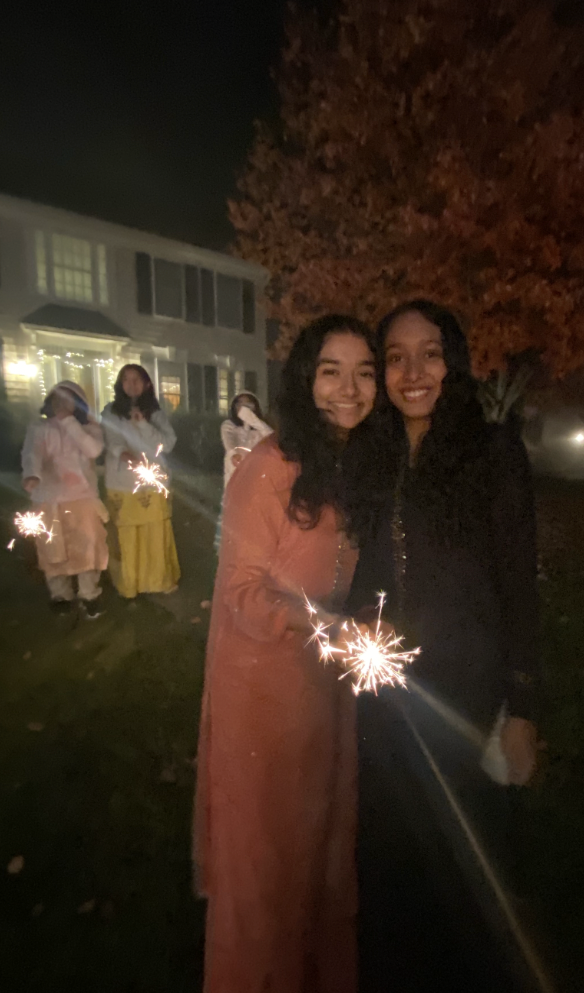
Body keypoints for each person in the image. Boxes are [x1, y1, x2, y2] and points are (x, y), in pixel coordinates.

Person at [193, 315, 378, 993]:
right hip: (263, 695)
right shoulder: (268, 467)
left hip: (325, 689)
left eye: (364, 372)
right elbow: (240, 592)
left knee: (320, 850)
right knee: (267, 862)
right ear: (306, 378)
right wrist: (324, 626)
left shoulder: (352, 464)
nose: (350, 389)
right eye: (332, 371)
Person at [347, 300, 540, 804]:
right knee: (384, 824)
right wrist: (365, 616)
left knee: (454, 837)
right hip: (382, 681)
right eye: (395, 357)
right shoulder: (373, 454)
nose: (413, 373)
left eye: (429, 354)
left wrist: (523, 706)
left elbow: (519, 580)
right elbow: (368, 564)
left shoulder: (491, 452)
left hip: (463, 686)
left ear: (452, 363)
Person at [21, 380, 108, 618]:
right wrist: (32, 474)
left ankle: (89, 593)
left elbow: (93, 450)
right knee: (52, 547)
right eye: (57, 398)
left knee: (88, 546)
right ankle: (60, 594)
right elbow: (32, 453)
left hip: (82, 498)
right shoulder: (39, 427)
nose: (61, 402)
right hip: (49, 499)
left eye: (68, 398)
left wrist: (69, 421)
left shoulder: (89, 428)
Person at [101, 364, 180, 599]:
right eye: (126, 379)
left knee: (154, 528)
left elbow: (167, 443)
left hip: (152, 480)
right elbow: (111, 439)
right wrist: (124, 454)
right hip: (123, 481)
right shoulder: (111, 411)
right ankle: (130, 583)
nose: (131, 384)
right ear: (120, 384)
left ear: (146, 383)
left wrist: (144, 423)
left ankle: (157, 579)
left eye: (137, 379)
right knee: (127, 531)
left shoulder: (156, 412)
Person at [214, 391, 272, 552]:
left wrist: (252, 421)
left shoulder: (259, 429)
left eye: (249, 404)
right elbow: (234, 447)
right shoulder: (229, 426)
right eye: (240, 404)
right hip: (234, 485)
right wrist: (245, 426)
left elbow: (271, 438)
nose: (244, 408)